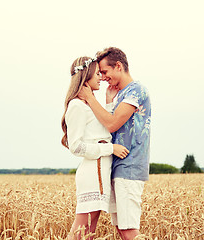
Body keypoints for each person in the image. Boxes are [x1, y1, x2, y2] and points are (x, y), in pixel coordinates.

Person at [78, 47, 151, 240]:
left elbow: (111, 124)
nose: (102, 77)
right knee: (122, 229)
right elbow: (110, 127)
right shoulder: (121, 94)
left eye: (104, 72)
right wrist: (109, 102)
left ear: (118, 66)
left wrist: (91, 99)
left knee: (129, 230)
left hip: (130, 167)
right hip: (118, 167)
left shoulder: (136, 90)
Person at [61, 56, 130, 240]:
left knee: (89, 232)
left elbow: (103, 128)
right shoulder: (77, 105)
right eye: (97, 73)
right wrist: (110, 149)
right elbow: (75, 147)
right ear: (86, 75)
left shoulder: (88, 105)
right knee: (80, 231)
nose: (101, 77)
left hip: (100, 172)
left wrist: (108, 102)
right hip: (93, 173)